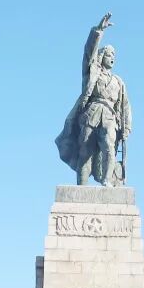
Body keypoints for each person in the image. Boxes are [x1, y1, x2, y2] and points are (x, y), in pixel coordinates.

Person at [55, 12, 132, 186]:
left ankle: (107, 180)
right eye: (109, 54)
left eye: (114, 55)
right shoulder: (92, 72)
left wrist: (127, 127)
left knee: (109, 146)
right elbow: (89, 51)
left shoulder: (118, 81)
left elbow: (125, 106)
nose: (112, 57)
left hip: (110, 116)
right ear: (102, 56)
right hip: (91, 114)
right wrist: (98, 31)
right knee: (85, 152)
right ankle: (82, 186)